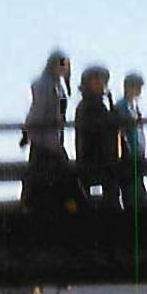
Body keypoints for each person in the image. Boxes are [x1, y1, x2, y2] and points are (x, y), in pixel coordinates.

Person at [21, 50, 74, 210]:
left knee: (54, 180)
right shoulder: (46, 85)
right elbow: (37, 111)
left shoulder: (57, 85)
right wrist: (28, 133)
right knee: (49, 179)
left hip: (52, 139)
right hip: (45, 141)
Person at [74, 65, 120, 208]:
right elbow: (95, 128)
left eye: (102, 81)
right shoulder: (85, 106)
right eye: (96, 80)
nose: (101, 84)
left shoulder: (101, 105)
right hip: (92, 159)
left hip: (106, 161)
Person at [116, 71, 146, 211]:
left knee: (139, 196)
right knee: (132, 197)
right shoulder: (122, 107)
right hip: (128, 159)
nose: (139, 90)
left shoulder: (133, 107)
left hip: (136, 156)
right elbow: (123, 133)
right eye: (136, 86)